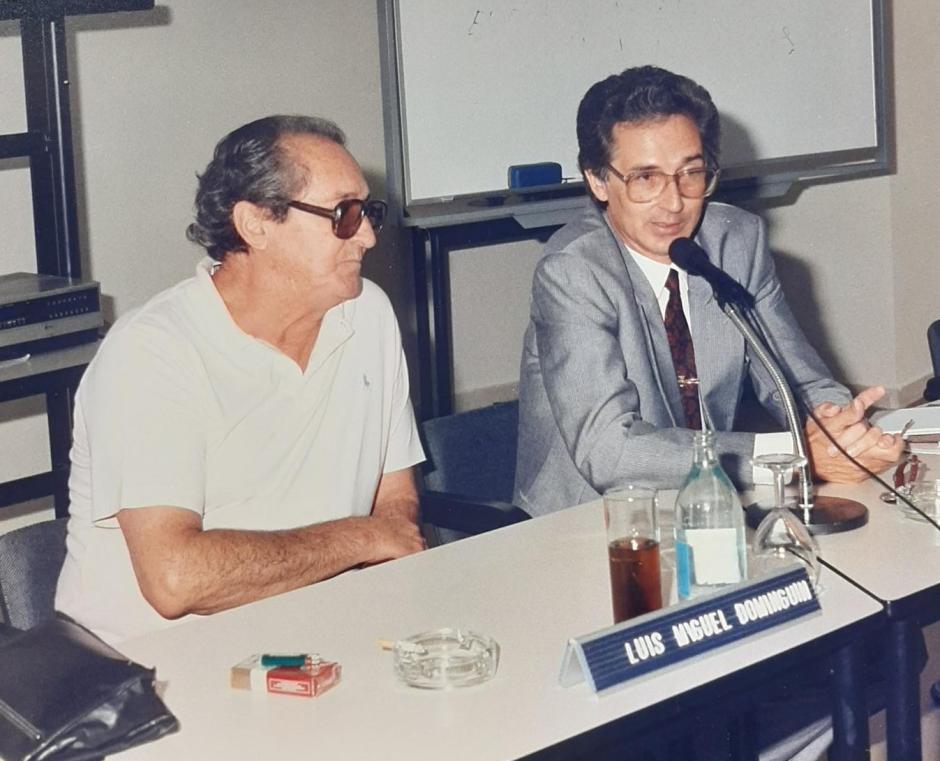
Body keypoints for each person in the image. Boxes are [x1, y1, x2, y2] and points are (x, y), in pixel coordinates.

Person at [55, 115, 426, 643]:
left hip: (308, 642)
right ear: (255, 224)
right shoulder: (153, 352)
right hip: (149, 677)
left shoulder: (367, 315)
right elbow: (175, 579)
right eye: (342, 214)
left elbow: (395, 498)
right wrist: (363, 539)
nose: (366, 235)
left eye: (369, 212)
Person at [514, 66, 904, 517]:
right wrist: (791, 454)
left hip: (707, 500)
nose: (675, 201)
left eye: (691, 173)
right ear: (599, 181)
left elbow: (798, 381)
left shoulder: (735, 241)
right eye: (645, 179)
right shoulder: (572, 272)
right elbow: (609, 452)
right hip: (589, 519)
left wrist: (842, 431)